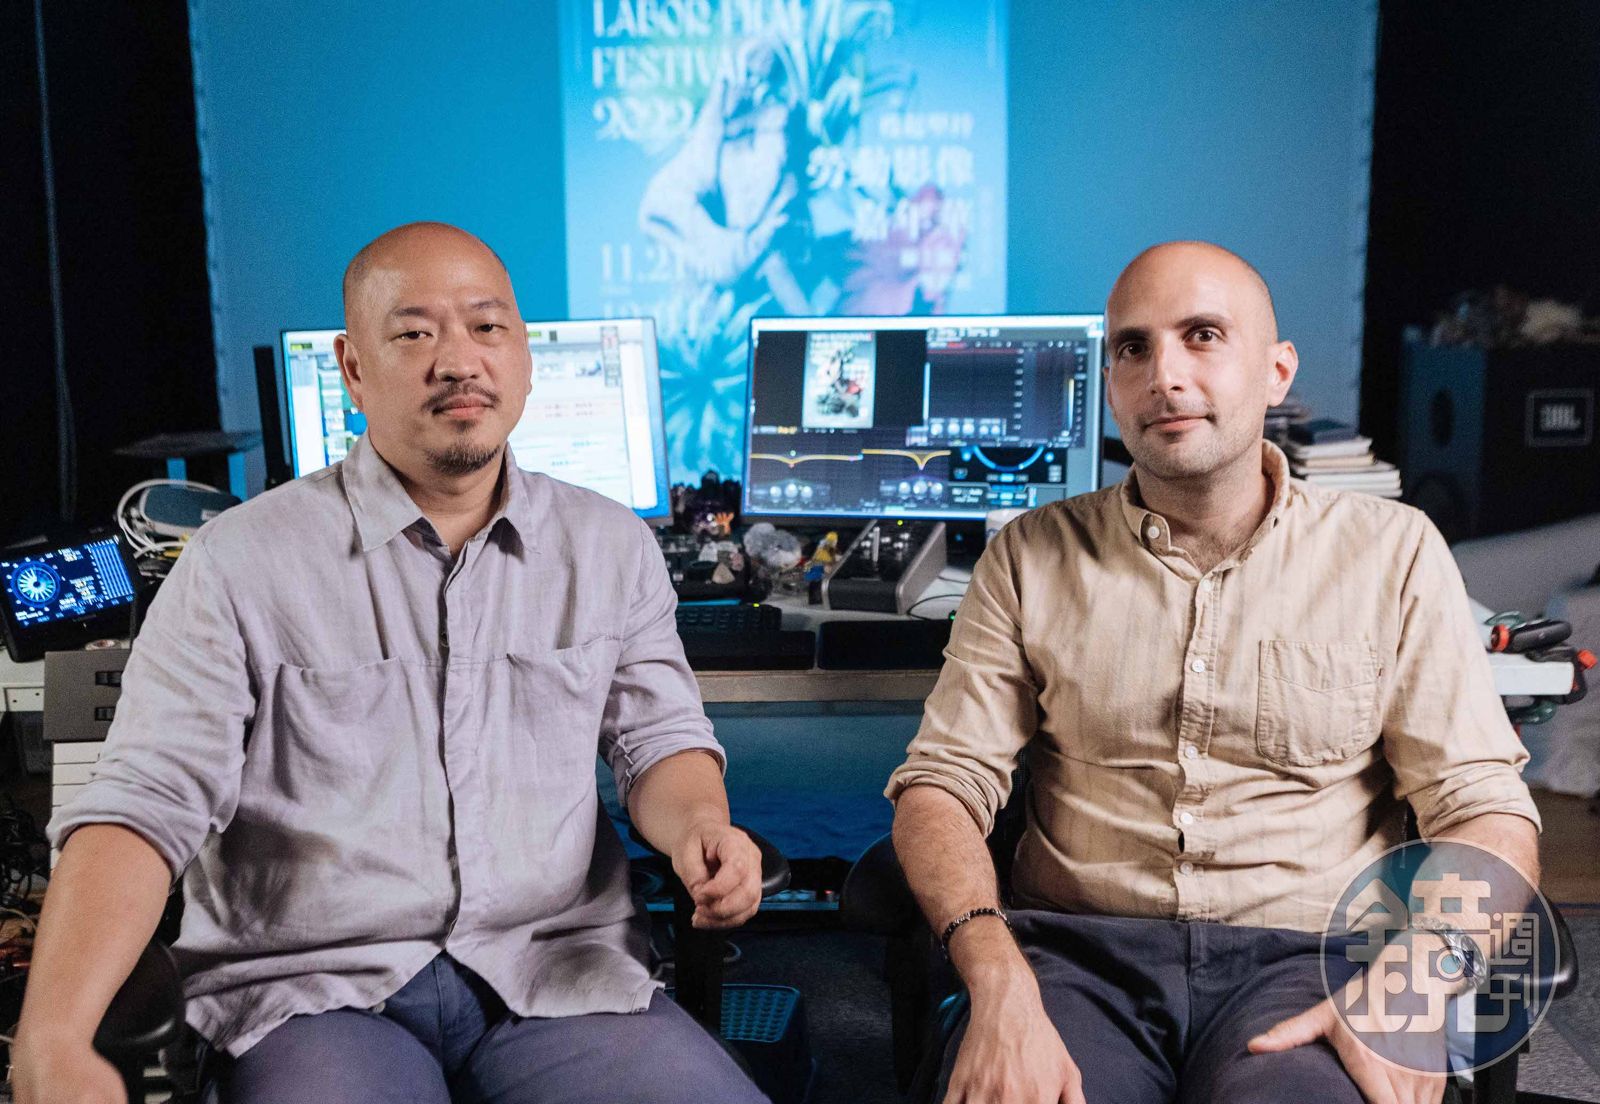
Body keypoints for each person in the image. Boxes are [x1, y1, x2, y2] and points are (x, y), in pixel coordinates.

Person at [12, 222, 769, 1104]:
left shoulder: (609, 546)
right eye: (414, 333)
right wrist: (55, 1035)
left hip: (558, 973)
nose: (459, 361)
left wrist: (699, 825)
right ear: (353, 367)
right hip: (318, 994)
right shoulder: (237, 563)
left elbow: (658, 741)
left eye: (487, 327)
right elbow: (145, 804)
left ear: (524, 357)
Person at [886, 240, 1542, 1104]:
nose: (1164, 376)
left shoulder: (1392, 553)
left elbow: (1485, 809)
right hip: (1077, 960)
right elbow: (941, 787)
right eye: (1133, 348)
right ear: (1109, 383)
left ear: (1276, 372)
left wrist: (1415, 983)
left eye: (1202, 335)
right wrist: (995, 977)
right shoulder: (1030, 556)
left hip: (1313, 961)